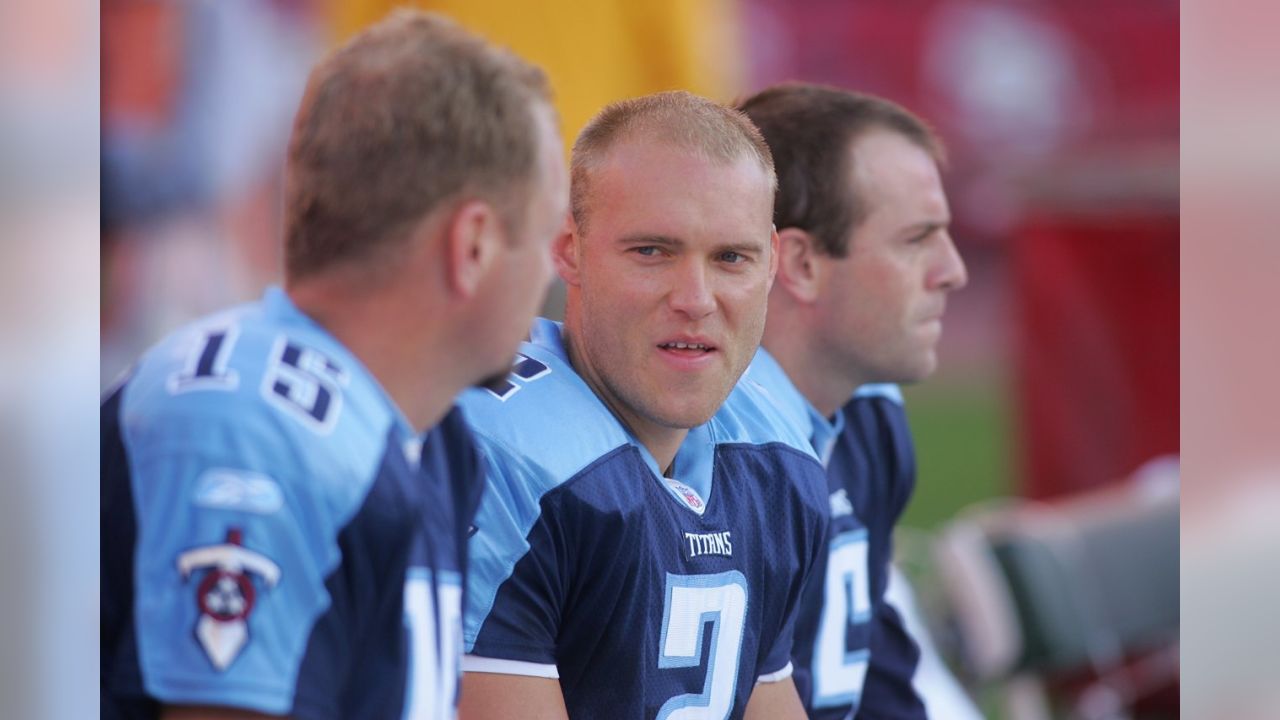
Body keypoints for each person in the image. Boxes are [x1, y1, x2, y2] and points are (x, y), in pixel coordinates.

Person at [101, 10, 568, 719]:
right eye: (541, 236)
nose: (549, 274)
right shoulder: (253, 425)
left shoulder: (433, 437)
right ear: (471, 245)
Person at [454, 91, 830, 720]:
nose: (695, 298)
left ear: (770, 265)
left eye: (731, 258)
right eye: (652, 251)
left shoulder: (776, 454)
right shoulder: (500, 451)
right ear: (570, 250)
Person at [736, 83, 975, 719]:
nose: (952, 270)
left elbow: (880, 680)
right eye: (916, 239)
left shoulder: (866, 413)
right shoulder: (706, 457)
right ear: (801, 264)